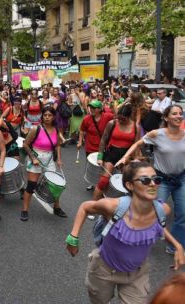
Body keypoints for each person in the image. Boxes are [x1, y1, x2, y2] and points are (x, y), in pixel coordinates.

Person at [65, 161, 184, 304]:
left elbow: (158, 226)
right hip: (104, 270)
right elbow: (85, 207)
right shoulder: (112, 206)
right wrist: (73, 237)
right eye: (145, 180)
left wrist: (177, 245)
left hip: (137, 274)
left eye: (156, 179)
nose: (153, 184)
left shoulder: (162, 210)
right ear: (130, 185)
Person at [116, 105, 185, 254]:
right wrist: (125, 157)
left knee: (183, 213)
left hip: (181, 180)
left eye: (181, 113)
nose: (179, 116)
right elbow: (137, 143)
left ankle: (174, 247)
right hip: (161, 180)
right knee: (153, 210)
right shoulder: (156, 134)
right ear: (166, 118)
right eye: (174, 113)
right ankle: (141, 236)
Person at [21, 106, 67, 221]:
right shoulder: (35, 129)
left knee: (54, 185)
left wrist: (59, 159)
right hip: (36, 157)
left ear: (53, 117)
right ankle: (25, 210)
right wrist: (33, 158)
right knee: (31, 186)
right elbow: (25, 144)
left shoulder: (56, 129)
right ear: (42, 116)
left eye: (49, 115)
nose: (47, 117)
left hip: (49, 158)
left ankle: (57, 207)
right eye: (45, 115)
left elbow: (57, 145)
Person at [93, 104, 141, 200]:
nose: (120, 121)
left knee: (128, 182)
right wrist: (99, 157)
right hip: (112, 153)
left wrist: (135, 160)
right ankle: (93, 205)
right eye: (119, 118)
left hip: (126, 155)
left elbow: (136, 146)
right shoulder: (112, 123)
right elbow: (103, 140)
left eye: (123, 119)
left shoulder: (136, 127)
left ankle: (123, 205)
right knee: (103, 181)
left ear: (130, 116)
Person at [78, 100, 114, 190]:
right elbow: (82, 130)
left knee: (104, 165)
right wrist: (79, 141)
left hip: (104, 147)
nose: (91, 109)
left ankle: (103, 182)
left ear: (99, 109)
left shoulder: (108, 116)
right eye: (90, 107)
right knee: (91, 165)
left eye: (94, 108)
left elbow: (117, 119)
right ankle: (92, 182)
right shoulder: (86, 119)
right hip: (90, 147)